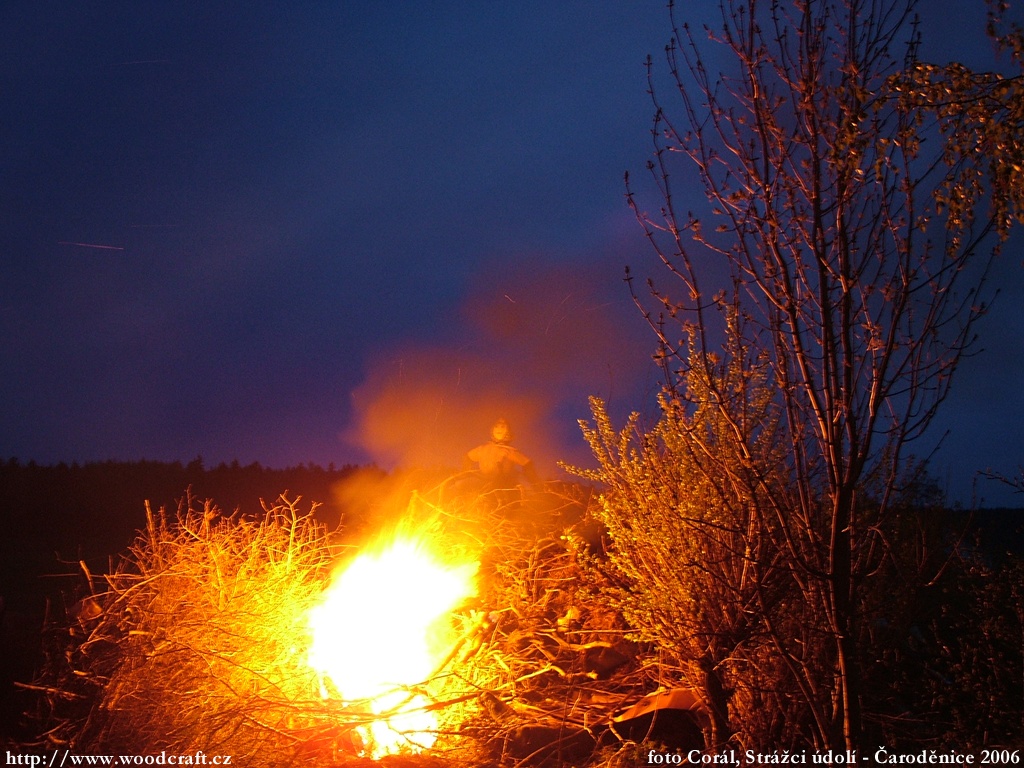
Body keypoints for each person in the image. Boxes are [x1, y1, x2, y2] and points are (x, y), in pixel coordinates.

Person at [464, 418, 539, 492]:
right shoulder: (483, 449)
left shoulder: (509, 451)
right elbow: (468, 457)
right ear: (492, 430)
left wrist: (535, 483)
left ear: (508, 432)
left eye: (502, 427)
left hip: (502, 486)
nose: (499, 429)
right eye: (496, 426)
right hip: (483, 483)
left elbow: (527, 463)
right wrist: (465, 472)